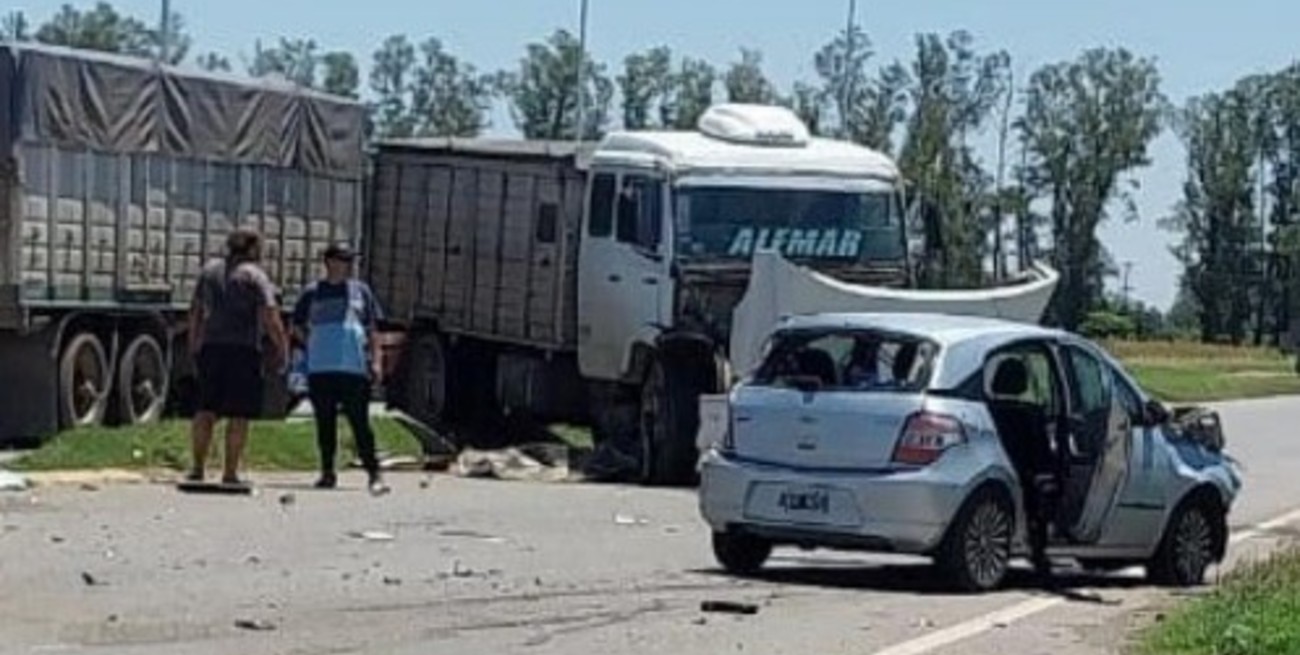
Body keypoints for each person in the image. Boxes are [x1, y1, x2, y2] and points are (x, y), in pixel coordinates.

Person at [187, 227, 288, 486]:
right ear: (253, 249)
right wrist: (281, 346)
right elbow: (269, 314)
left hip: (212, 347)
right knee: (238, 414)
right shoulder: (255, 276)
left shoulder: (209, 271)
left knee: (205, 410)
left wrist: (194, 343)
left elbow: (196, 310)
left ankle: (197, 468)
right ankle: (229, 473)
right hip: (243, 349)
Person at [292, 242, 389, 495]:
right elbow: (297, 325)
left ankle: (374, 472)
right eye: (342, 260)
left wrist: (376, 360)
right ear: (329, 262)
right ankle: (327, 471)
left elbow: (373, 329)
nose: (347, 266)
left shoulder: (361, 291)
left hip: (353, 367)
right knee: (325, 421)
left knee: (360, 422)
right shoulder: (312, 293)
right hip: (321, 367)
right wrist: (312, 344)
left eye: (349, 261)